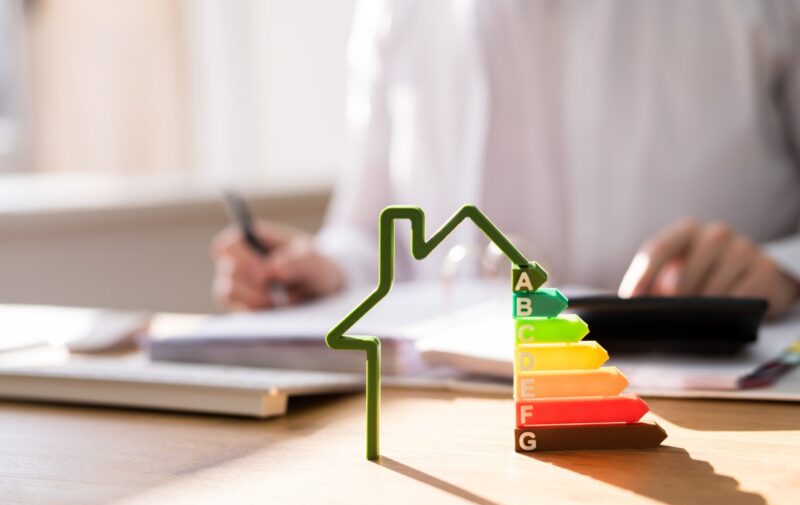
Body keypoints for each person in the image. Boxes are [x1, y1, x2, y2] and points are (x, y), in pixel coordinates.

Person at [213, 1, 800, 317]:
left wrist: (781, 268)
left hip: (711, 407)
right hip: (461, 409)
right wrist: (324, 270)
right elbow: (369, 232)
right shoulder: (395, 11)